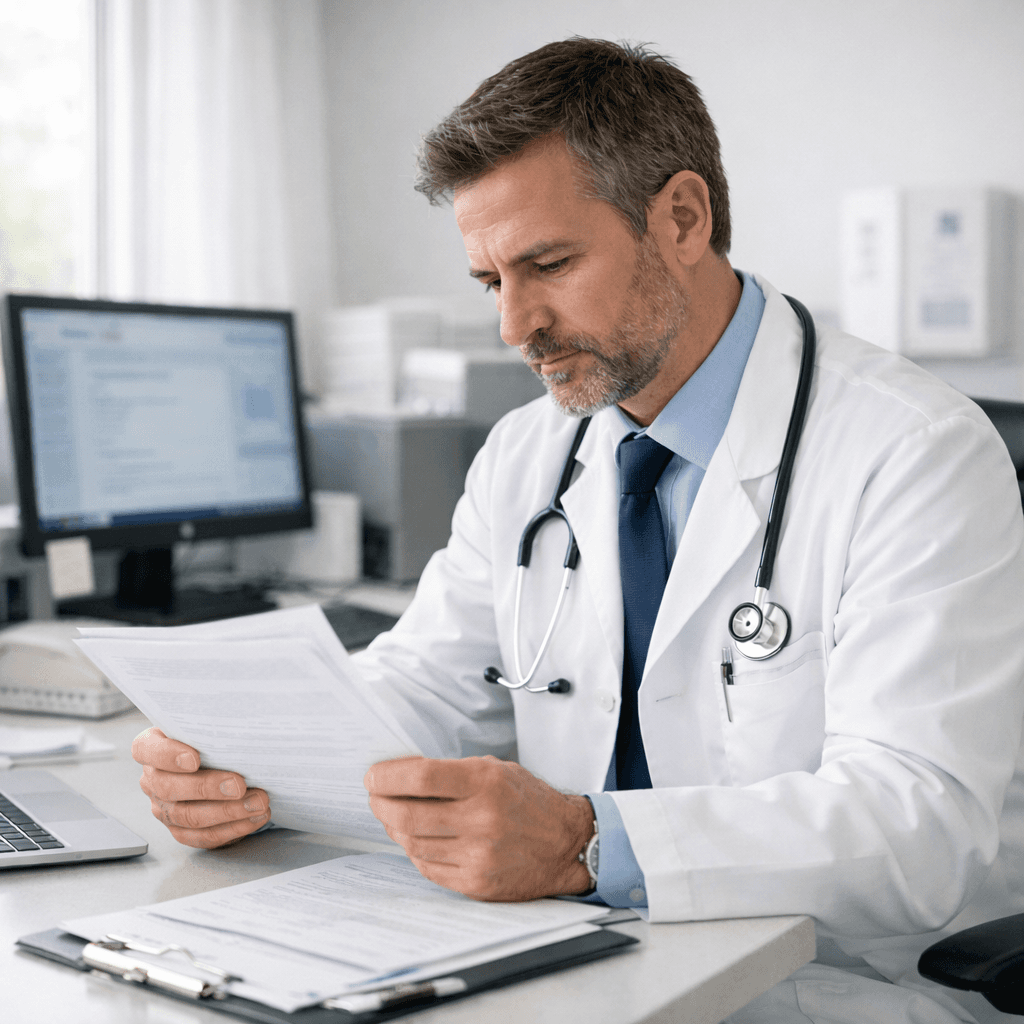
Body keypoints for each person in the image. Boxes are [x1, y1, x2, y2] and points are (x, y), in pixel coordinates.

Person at [132, 39, 1024, 1024]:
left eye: (548, 264)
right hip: (577, 961)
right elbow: (429, 684)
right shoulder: (529, 453)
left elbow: (918, 825)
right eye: (490, 281)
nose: (514, 325)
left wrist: (584, 842)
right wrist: (249, 765)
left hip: (839, 985)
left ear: (681, 218)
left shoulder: (915, 451)